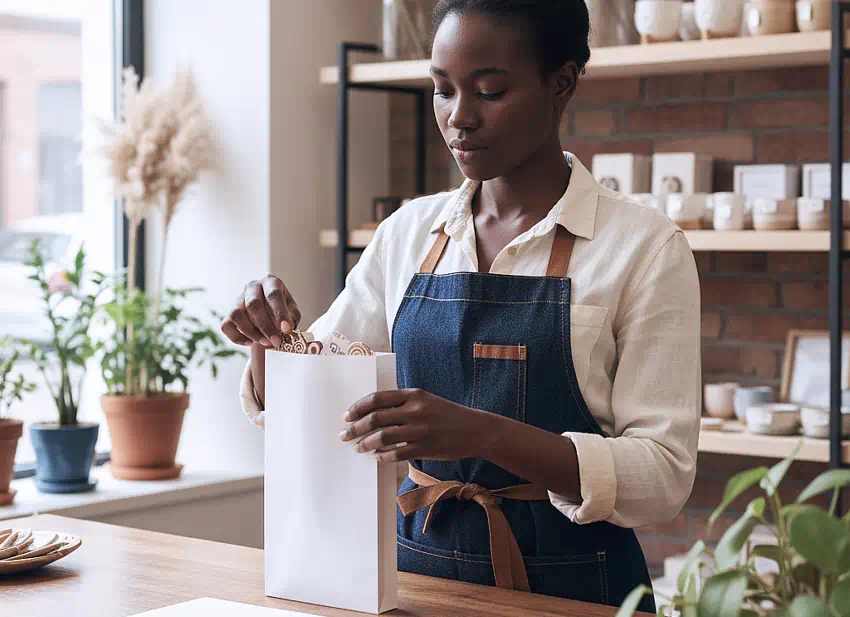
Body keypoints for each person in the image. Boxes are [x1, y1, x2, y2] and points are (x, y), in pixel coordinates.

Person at [222, 0, 700, 611]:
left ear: (562, 84)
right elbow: (317, 408)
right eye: (442, 90)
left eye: (490, 91)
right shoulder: (407, 234)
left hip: (579, 590)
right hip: (413, 583)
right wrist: (271, 343)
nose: (459, 118)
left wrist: (481, 433)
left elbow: (662, 476)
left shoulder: (643, 247)